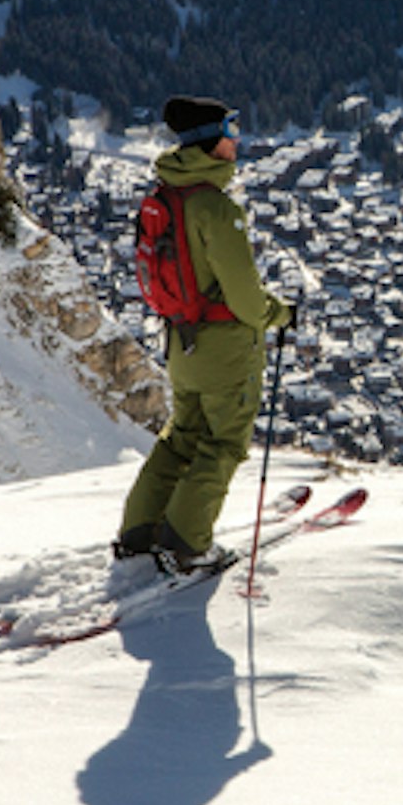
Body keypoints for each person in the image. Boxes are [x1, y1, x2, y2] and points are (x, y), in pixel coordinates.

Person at [115, 95, 293, 573]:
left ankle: (139, 533)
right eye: (231, 131)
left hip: (182, 342)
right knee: (222, 443)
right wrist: (279, 313)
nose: (237, 141)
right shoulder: (215, 208)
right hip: (223, 348)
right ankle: (187, 546)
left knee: (182, 438)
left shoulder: (166, 194)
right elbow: (246, 300)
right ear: (211, 143)